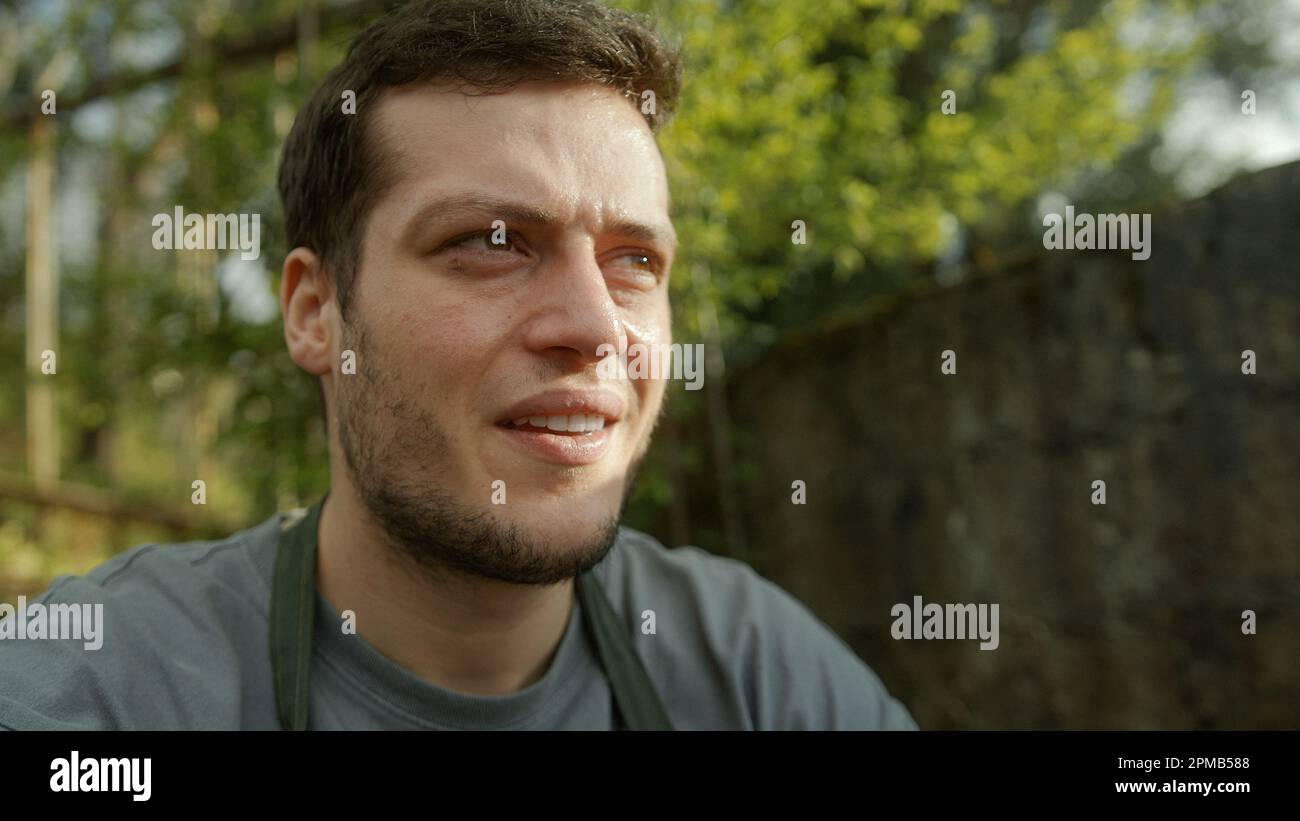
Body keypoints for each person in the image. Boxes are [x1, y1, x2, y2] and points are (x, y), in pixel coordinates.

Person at [0, 0, 916, 730]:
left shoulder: (754, 669)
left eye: (635, 260)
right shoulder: (108, 681)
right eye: (493, 241)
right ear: (316, 314)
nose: (596, 327)